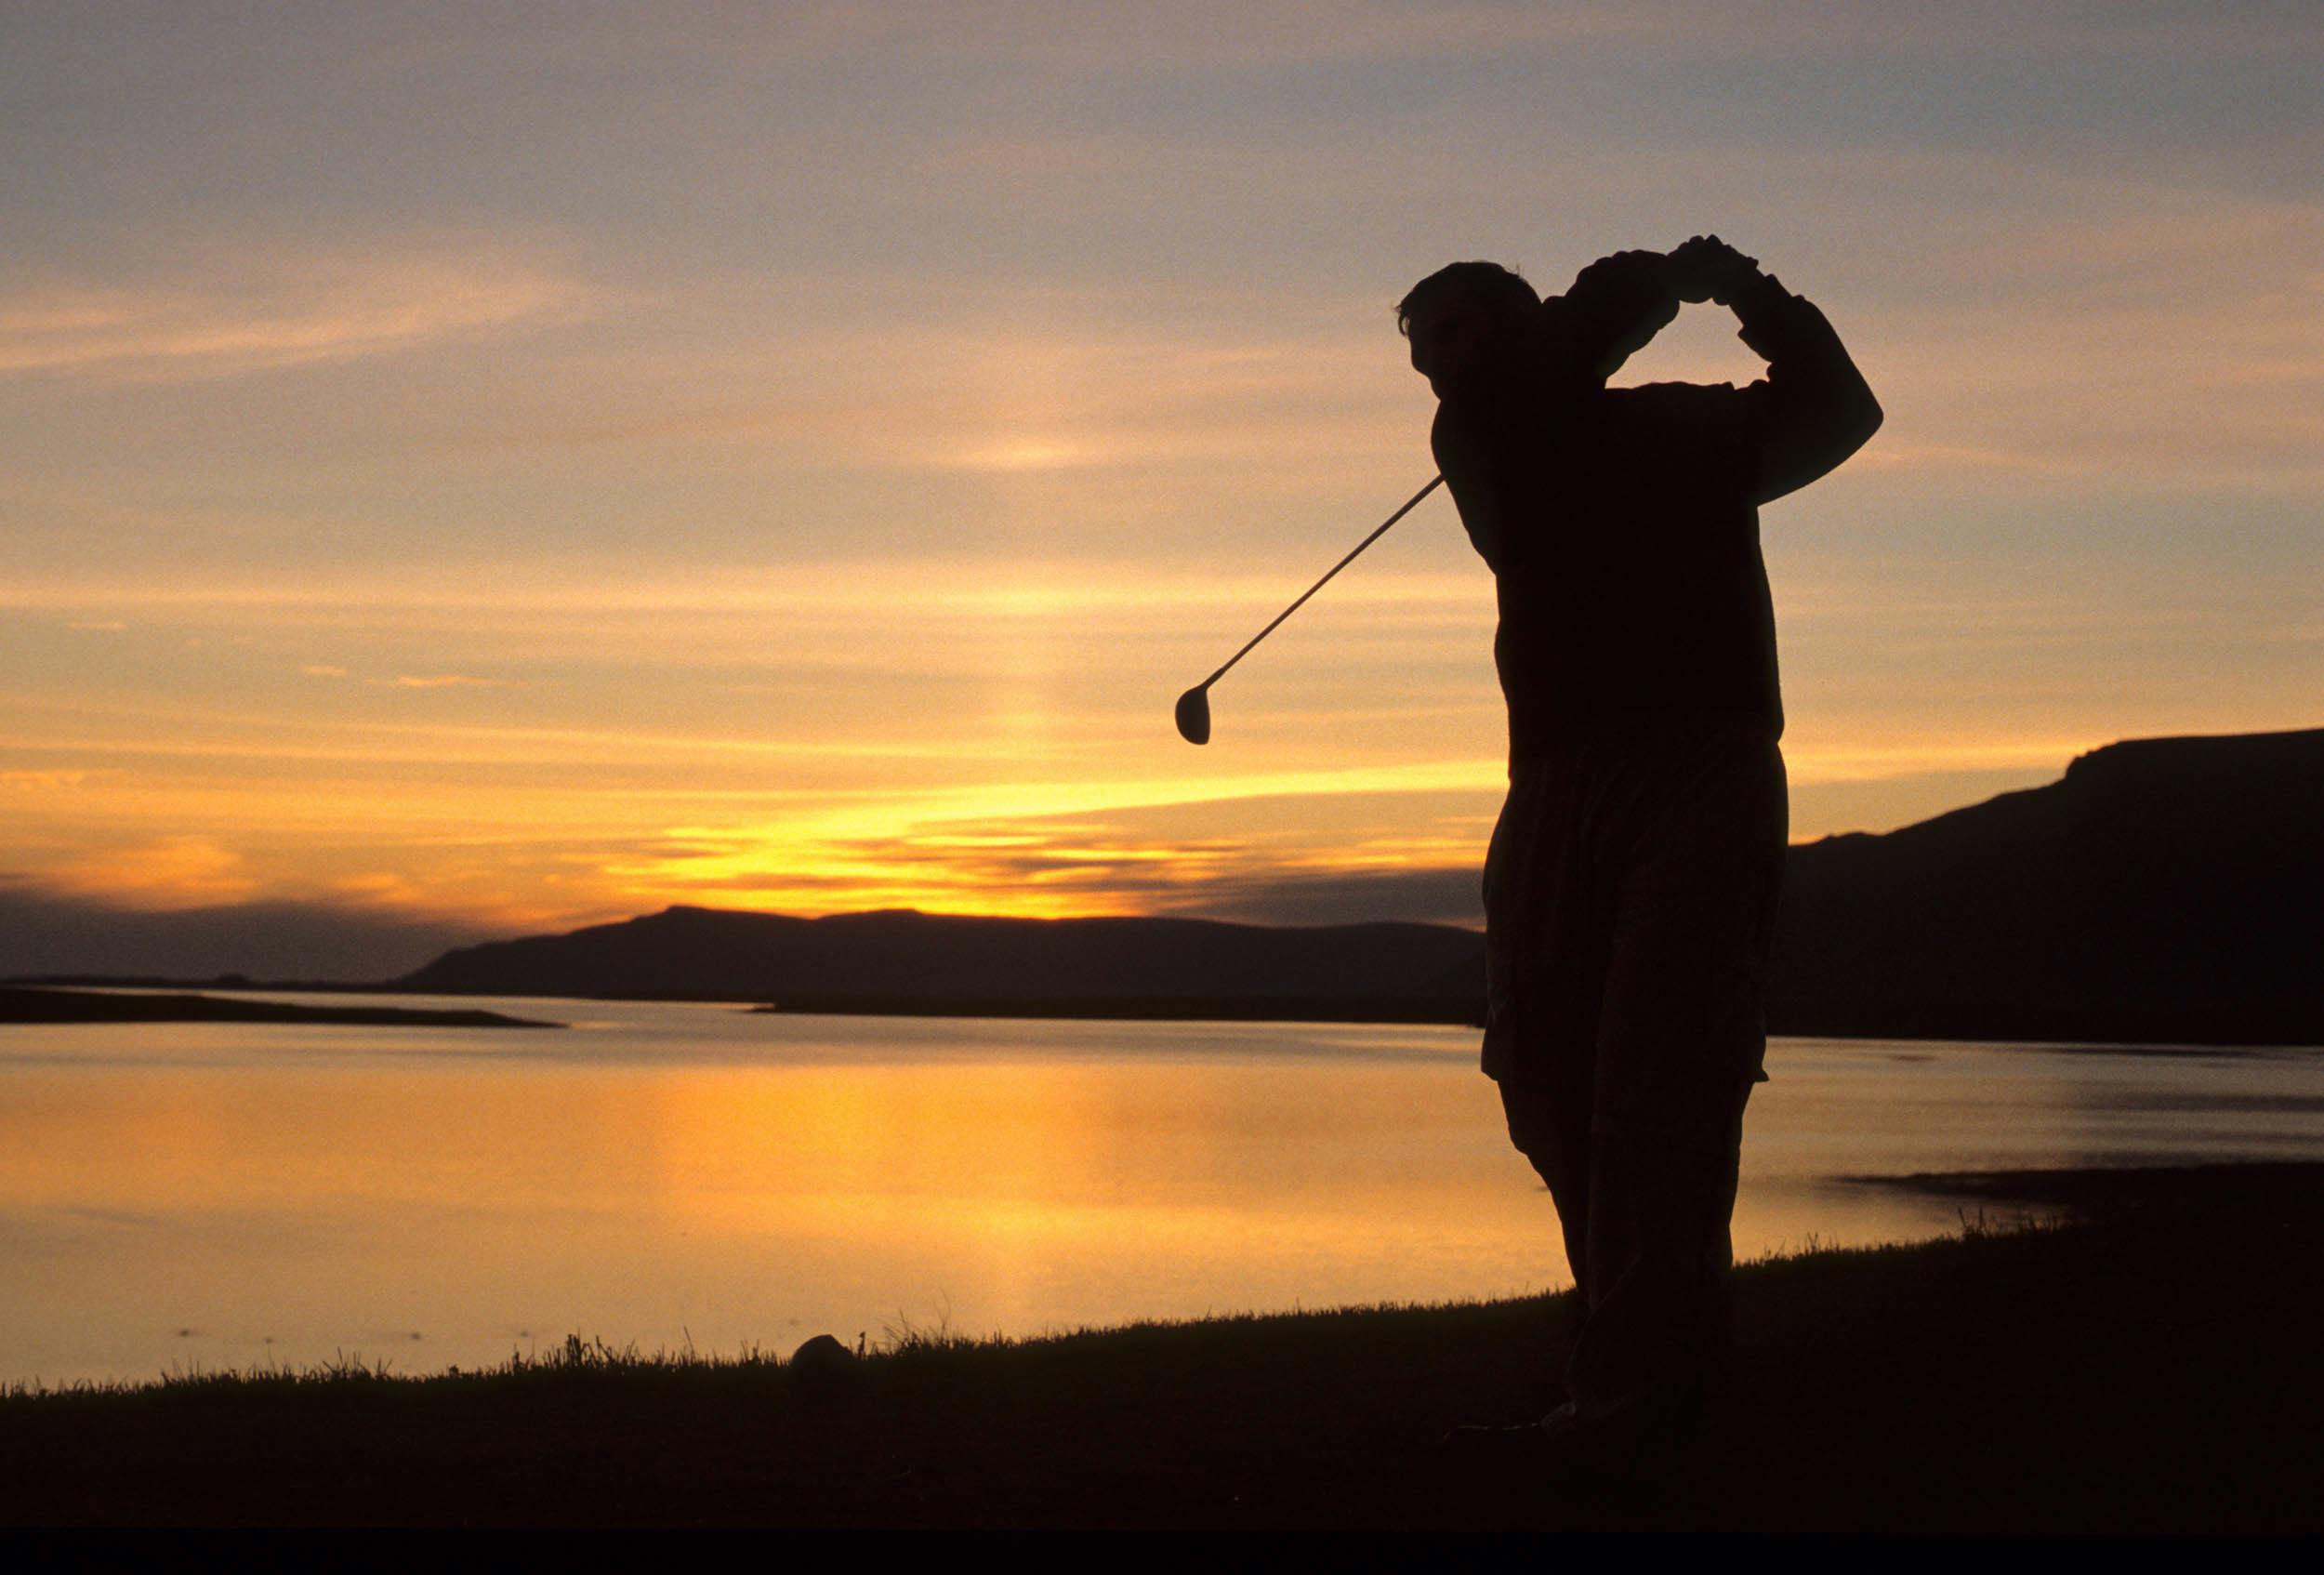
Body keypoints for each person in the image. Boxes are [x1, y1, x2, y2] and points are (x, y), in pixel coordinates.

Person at [1404, 237, 1882, 1485]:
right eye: (1427, 353)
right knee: (1547, 1072)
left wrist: (1758, 300)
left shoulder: (1679, 432)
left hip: (1702, 776)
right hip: (1558, 788)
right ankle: (1643, 1364)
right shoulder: (1480, 444)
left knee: (1660, 1075)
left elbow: (1841, 412)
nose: (1443, 365)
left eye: (1459, 331)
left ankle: (1643, 1391)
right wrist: (1668, 278)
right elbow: (1559, 362)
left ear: (1512, 319)